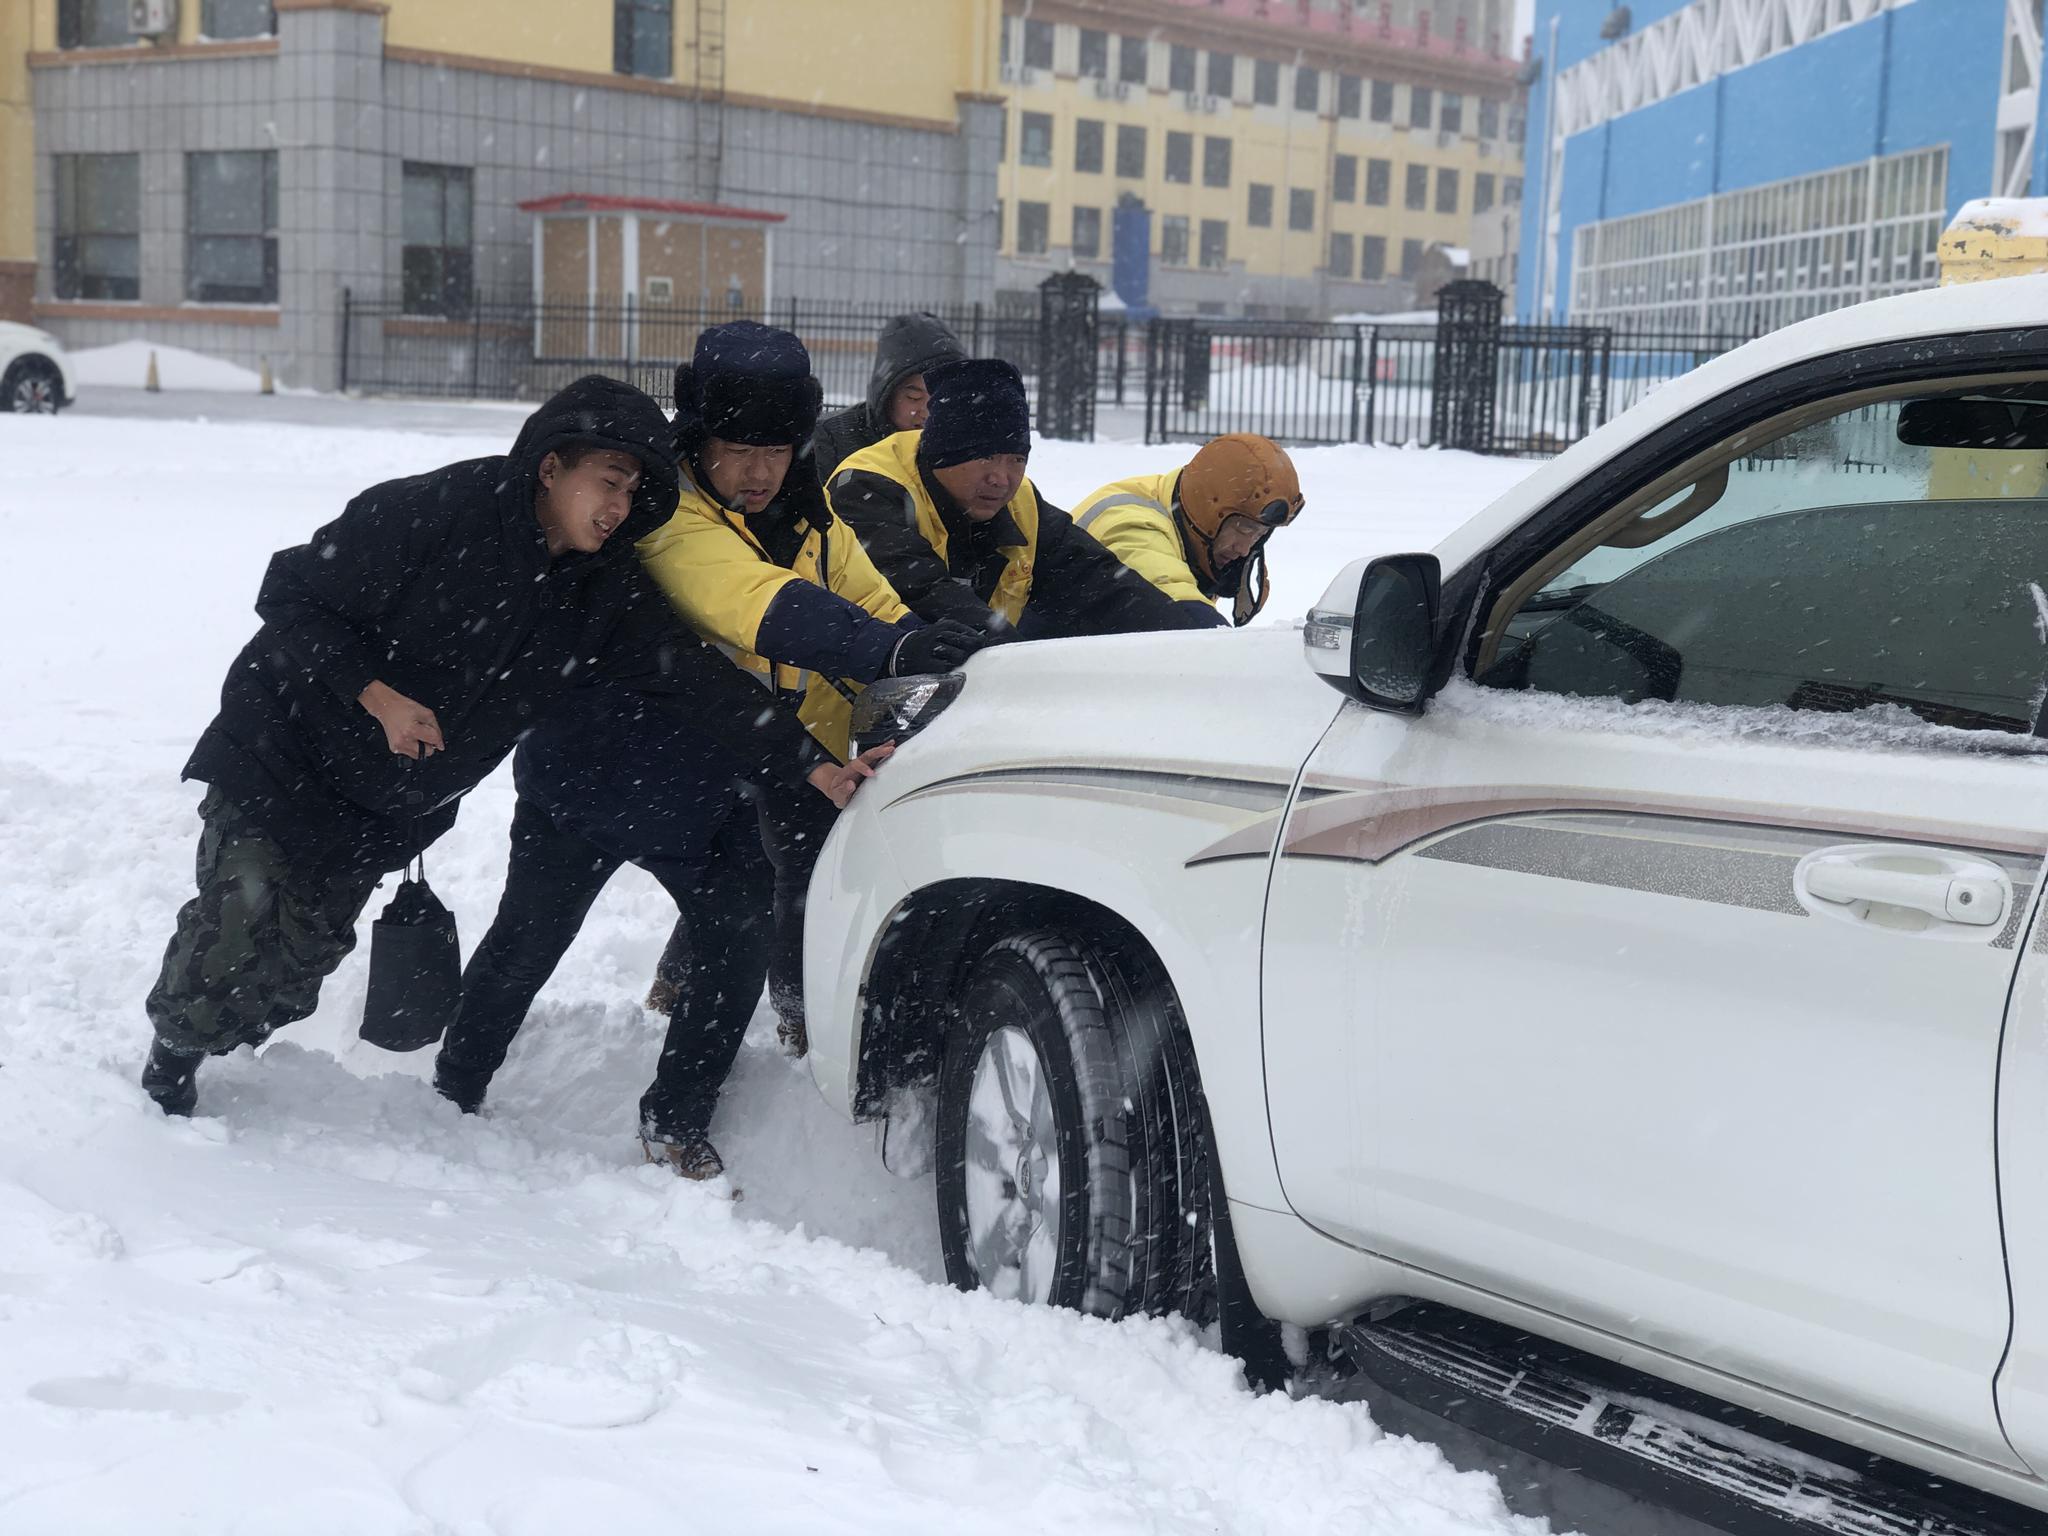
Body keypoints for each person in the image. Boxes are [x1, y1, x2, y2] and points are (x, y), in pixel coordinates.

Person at [142, 375, 821, 1119]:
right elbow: (290, 593)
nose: (619, 507)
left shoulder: (601, 589)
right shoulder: (433, 511)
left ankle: (232, 1026)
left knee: (301, 954)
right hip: (284, 750)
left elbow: (697, 681)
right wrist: (377, 695)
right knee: (240, 918)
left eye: (632, 492)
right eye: (608, 481)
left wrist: (812, 762)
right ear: (551, 467)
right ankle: (170, 1068)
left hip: (389, 797)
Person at [635, 321, 986, 1054]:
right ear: (699, 441)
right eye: (739, 450)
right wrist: (891, 647)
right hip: (688, 739)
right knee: (718, 885)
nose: (760, 471)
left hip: (787, 731)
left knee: (784, 871)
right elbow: (757, 602)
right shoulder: (670, 511)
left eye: (776, 449)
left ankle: (783, 1016)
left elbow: (867, 595)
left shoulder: (808, 511)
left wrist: (922, 649)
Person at [431, 685, 888, 1180]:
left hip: (710, 796)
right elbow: (725, 654)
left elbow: (783, 656)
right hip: (578, 784)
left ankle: (674, 1123)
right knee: (527, 941)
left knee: (739, 947)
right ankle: (456, 1083)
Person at [826, 357, 1221, 641]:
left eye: (1016, 459)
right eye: (985, 457)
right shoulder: (868, 489)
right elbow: (925, 594)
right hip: (839, 717)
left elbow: (1099, 583)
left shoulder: (1021, 503)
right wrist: (1010, 656)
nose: (1002, 478)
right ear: (942, 455)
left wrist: (1189, 639)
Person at [1071, 434, 1305, 628]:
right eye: (1244, 528)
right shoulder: (1130, 524)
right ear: (1206, 506)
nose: (1245, 549)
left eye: (1260, 535)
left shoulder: (1190, 532)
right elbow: (1185, 617)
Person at [811, 311, 965, 483]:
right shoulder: (833, 439)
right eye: (914, 397)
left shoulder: (972, 448)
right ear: (886, 394)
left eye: (942, 397)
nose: (928, 413)